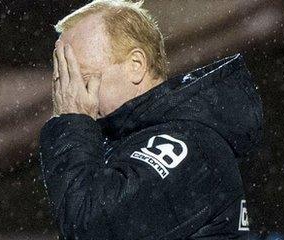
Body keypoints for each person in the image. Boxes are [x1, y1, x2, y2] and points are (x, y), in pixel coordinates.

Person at [38, 0, 263, 239]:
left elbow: (89, 228)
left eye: (83, 78)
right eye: (64, 82)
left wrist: (73, 122)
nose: (71, 94)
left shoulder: (189, 145)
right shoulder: (117, 143)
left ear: (136, 65)